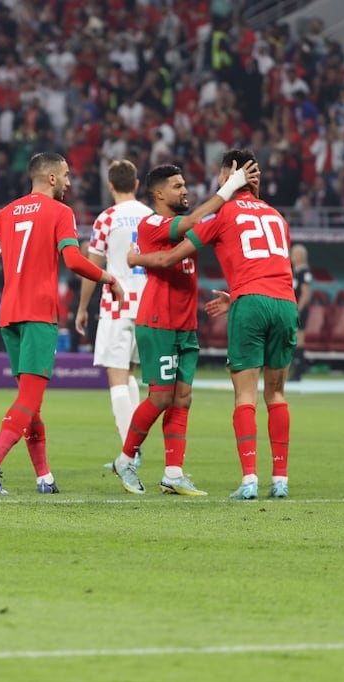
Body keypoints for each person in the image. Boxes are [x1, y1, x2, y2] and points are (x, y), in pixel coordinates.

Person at [129, 149, 294, 500]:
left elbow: (172, 256)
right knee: (277, 393)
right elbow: (270, 265)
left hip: (249, 305)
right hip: (285, 302)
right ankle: (280, 479)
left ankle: (249, 478)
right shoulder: (278, 217)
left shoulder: (223, 214)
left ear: (225, 178)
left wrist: (136, 259)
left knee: (245, 395)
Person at [0, 152, 125, 495]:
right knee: (29, 400)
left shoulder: (5, 213)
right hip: (38, 314)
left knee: (29, 401)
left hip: (9, 316)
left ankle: (44, 477)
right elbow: (72, 260)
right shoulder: (60, 213)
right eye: (66, 175)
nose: (69, 182)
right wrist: (108, 277)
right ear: (51, 178)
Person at [99, 162, 253, 497]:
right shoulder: (151, 223)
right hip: (158, 320)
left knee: (183, 398)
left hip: (185, 323)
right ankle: (126, 459)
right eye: (177, 186)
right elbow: (197, 220)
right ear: (157, 193)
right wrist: (230, 186)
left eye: (185, 185)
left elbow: (210, 225)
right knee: (161, 396)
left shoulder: (182, 225)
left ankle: (173, 473)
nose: (184, 190)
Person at [74, 160, 149, 462]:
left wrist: (81, 307)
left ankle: (129, 454)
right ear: (136, 184)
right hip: (148, 305)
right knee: (130, 372)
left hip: (117, 306)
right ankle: (134, 448)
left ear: (110, 186)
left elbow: (93, 267)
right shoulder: (151, 215)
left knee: (117, 377)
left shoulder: (107, 218)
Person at [290, 244, 312, 382]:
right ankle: (294, 368)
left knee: (299, 338)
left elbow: (305, 293)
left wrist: (298, 309)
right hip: (291, 308)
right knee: (292, 339)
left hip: (299, 310)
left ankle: (299, 371)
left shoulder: (305, 272)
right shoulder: (294, 271)